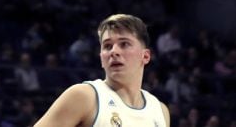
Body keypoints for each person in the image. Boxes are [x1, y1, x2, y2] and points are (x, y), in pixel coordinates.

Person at [33, 14, 170, 127]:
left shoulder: (160, 111)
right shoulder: (84, 96)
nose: (114, 51)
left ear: (145, 56)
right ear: (101, 58)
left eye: (124, 44)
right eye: (107, 46)